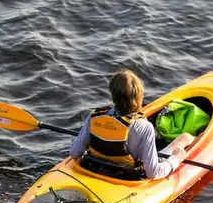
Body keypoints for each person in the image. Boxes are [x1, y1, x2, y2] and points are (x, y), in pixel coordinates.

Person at [68, 69, 196, 179]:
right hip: (127, 176)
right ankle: (196, 137)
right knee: (184, 138)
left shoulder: (95, 117)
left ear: (113, 95)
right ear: (138, 96)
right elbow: (153, 173)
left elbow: (74, 152)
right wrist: (175, 160)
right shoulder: (144, 127)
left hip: (95, 168)